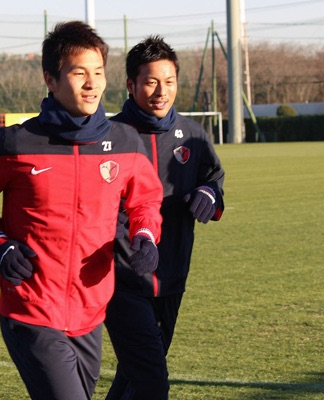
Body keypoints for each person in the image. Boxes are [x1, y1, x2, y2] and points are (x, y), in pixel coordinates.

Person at [0, 21, 163, 400]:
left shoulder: (125, 142)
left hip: (91, 310)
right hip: (31, 308)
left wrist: (146, 236)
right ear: (50, 79)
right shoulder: (18, 142)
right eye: (79, 73)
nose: (92, 84)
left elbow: (145, 200)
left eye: (98, 72)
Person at [105, 35, 225, 400]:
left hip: (173, 271)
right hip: (124, 275)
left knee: (137, 373)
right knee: (151, 378)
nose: (161, 91)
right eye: (151, 82)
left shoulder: (193, 135)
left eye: (169, 81)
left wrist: (209, 193)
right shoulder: (110, 136)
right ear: (131, 84)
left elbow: (213, 179)